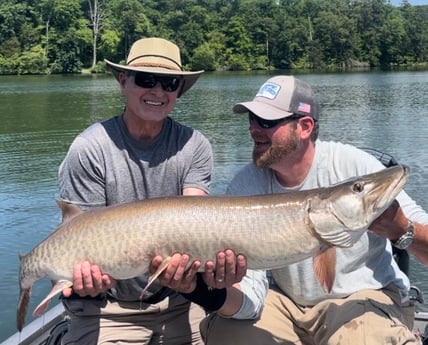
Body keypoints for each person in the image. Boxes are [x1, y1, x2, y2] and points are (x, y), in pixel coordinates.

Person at [199, 75, 428, 344]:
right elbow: (252, 283)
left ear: (305, 126)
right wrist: (211, 288)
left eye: (266, 122)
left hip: (366, 296)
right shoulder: (245, 185)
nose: (253, 129)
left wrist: (403, 230)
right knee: (230, 334)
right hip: (289, 305)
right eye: (251, 119)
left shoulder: (355, 167)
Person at [57, 37, 245, 345]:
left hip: (179, 303)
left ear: (178, 91)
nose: (158, 91)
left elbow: (195, 224)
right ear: (123, 82)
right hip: (107, 308)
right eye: (146, 80)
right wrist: (85, 280)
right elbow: (81, 237)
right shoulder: (89, 148)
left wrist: (203, 266)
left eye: (169, 83)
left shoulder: (194, 146)